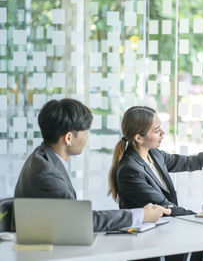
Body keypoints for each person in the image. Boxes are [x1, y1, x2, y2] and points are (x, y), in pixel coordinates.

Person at [107, 106, 203, 261]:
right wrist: (200, 217)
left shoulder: (155, 155)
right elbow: (165, 207)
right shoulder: (129, 170)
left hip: (168, 230)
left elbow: (191, 162)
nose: (163, 133)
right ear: (138, 137)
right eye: (157, 131)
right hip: (151, 242)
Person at [14, 99, 170, 232]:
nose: (88, 137)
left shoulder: (41, 156)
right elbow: (81, 222)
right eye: (86, 131)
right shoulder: (47, 174)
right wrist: (141, 215)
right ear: (69, 138)